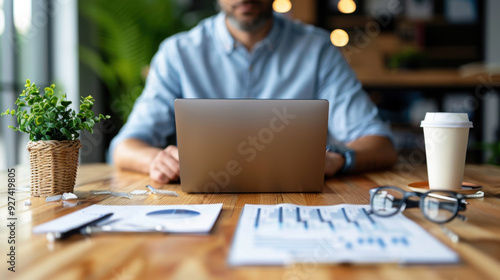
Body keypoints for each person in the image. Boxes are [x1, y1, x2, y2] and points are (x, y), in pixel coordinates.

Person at [110, 0, 398, 183]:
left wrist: (337, 158)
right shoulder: (178, 53)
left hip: (303, 205)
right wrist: (155, 160)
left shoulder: (318, 49)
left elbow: (380, 145)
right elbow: (124, 147)